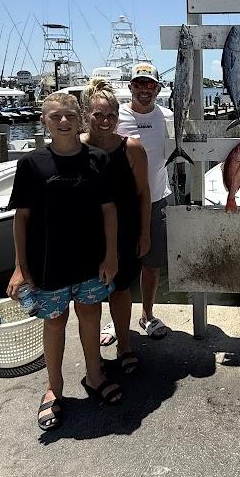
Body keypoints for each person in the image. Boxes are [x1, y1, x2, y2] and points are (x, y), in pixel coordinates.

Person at [6, 92, 121, 431]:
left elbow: (109, 210)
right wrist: (19, 266)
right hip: (48, 263)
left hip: (91, 260)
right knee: (55, 323)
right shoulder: (31, 164)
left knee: (90, 315)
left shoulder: (98, 159)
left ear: (81, 118)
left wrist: (111, 254)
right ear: (45, 121)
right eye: (55, 116)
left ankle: (95, 376)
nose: (64, 121)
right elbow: (21, 218)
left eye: (70, 114)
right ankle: (53, 389)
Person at [82, 79, 151, 374]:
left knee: (121, 290)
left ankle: (124, 345)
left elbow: (144, 193)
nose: (105, 121)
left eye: (111, 115)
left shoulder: (131, 148)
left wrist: (145, 233)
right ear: (87, 115)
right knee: (89, 297)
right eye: (98, 115)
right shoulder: (76, 148)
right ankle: (92, 358)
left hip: (125, 232)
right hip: (86, 235)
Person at [107, 62, 173, 341]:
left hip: (157, 198)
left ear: (158, 88)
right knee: (115, 264)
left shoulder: (167, 116)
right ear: (130, 86)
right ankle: (115, 321)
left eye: (150, 84)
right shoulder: (116, 116)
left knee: (152, 264)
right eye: (139, 84)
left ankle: (147, 314)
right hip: (122, 205)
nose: (144, 90)